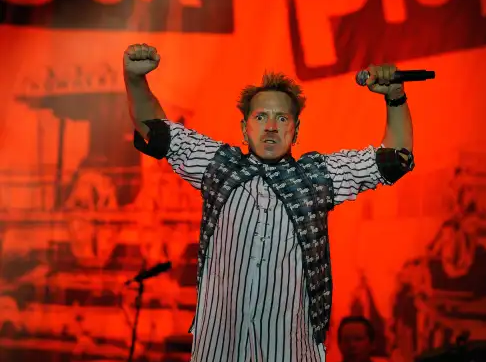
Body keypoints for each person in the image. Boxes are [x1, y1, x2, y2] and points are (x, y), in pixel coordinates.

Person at [123, 43, 415, 362]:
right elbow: (154, 130)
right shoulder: (218, 165)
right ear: (244, 128)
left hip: (289, 349)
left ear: (296, 129)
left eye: (282, 118)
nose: (271, 127)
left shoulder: (318, 176)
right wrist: (135, 80)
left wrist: (395, 98)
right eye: (261, 116)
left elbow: (397, 159)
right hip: (221, 348)